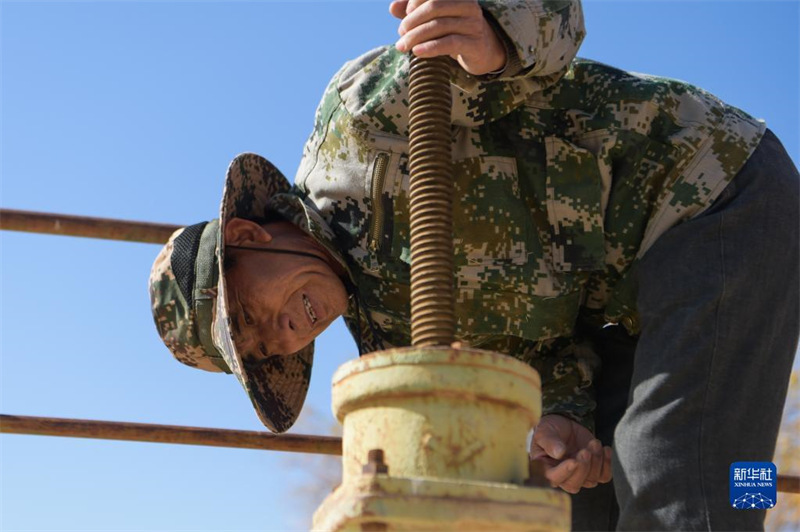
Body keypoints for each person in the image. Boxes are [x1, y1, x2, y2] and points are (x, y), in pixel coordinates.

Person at [148, 0, 799, 529]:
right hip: (633, 311)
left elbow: (560, 20)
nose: (285, 333)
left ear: (248, 236)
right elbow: (544, 355)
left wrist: (495, 34)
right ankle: (751, 488)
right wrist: (563, 424)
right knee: (577, 507)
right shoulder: (393, 337)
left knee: (681, 500)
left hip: (715, 198)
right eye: (267, 347)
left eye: (254, 312)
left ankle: (743, 496)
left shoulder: (362, 124)